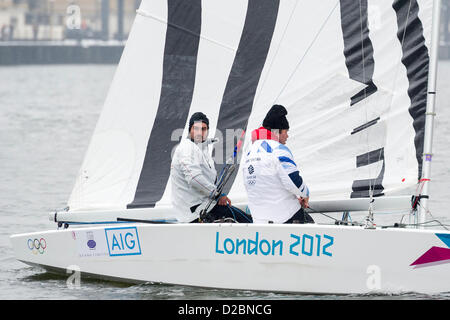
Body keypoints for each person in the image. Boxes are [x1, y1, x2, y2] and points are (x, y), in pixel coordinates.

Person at [170, 112, 252, 223]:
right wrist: (217, 195)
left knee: (242, 216)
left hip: (202, 206)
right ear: (190, 130)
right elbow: (194, 178)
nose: (200, 133)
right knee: (246, 220)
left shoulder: (199, 147)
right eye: (196, 128)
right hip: (195, 212)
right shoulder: (187, 149)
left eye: (203, 129)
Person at [242, 104, 313, 224]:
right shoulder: (278, 149)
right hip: (284, 217)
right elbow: (293, 181)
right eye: (286, 131)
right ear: (278, 131)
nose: (287, 136)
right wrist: (305, 194)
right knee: (310, 223)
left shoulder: (250, 150)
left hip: (258, 219)